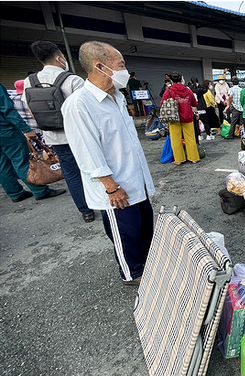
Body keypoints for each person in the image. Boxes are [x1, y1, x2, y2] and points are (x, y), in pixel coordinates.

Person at [61, 41, 155, 285]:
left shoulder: (116, 96)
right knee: (126, 233)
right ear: (100, 66)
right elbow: (86, 152)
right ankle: (131, 273)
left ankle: (146, 263)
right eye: (121, 64)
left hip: (136, 179)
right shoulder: (79, 104)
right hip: (115, 186)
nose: (125, 69)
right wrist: (111, 186)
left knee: (144, 228)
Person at [23, 40, 95, 223]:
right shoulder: (72, 80)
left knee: (70, 172)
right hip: (79, 135)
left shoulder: (29, 81)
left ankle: (85, 211)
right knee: (90, 168)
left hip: (54, 135)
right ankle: (100, 202)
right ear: (59, 57)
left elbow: (31, 111)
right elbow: (85, 109)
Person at [0, 84, 66, 202]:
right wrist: (26, 129)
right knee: (22, 161)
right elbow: (8, 110)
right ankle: (40, 191)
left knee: (2, 164)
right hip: (6, 131)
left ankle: (15, 192)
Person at [160, 71, 200, 165]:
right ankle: (194, 158)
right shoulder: (188, 90)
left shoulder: (169, 90)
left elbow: (162, 103)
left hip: (174, 118)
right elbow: (194, 103)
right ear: (181, 79)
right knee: (190, 139)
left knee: (175, 139)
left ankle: (179, 159)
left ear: (171, 80)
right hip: (188, 117)